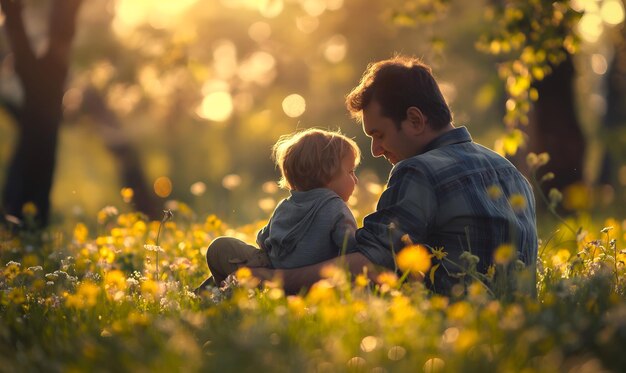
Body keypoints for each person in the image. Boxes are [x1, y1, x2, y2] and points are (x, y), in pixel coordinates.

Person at [249, 55, 538, 295]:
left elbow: (369, 265)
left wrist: (266, 280)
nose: (375, 150)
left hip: (444, 332)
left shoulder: (419, 171)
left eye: (379, 134)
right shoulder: (510, 172)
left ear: (415, 120)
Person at [195, 128, 362, 292]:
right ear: (328, 175)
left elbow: (263, 240)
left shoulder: (285, 205)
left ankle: (211, 292)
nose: (355, 179)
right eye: (351, 172)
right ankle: (227, 290)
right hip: (311, 285)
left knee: (221, 247)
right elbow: (352, 252)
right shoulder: (337, 208)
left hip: (272, 273)